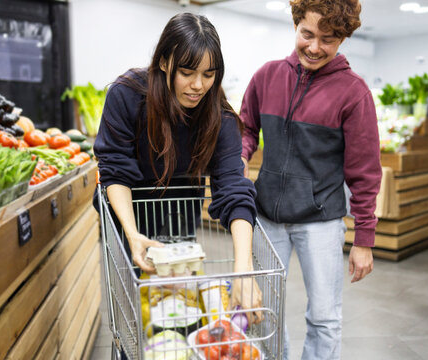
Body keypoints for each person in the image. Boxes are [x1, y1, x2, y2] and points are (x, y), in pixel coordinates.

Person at [94, 12, 262, 324]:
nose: (198, 86)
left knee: (176, 296)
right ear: (163, 62)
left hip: (180, 205)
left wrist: (243, 268)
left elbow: (234, 190)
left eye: (209, 74)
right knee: (138, 296)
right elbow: (114, 172)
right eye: (187, 72)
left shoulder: (219, 118)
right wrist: (132, 234)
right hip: (129, 206)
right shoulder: (127, 96)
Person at [239, 0, 381, 359]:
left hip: (321, 221)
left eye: (328, 39)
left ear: (342, 40)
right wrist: (240, 154)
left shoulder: (354, 92)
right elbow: (245, 129)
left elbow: (365, 173)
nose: (315, 47)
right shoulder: (267, 76)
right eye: (308, 34)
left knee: (323, 317)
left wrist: (364, 239)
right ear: (296, 24)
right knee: (265, 312)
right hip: (267, 218)